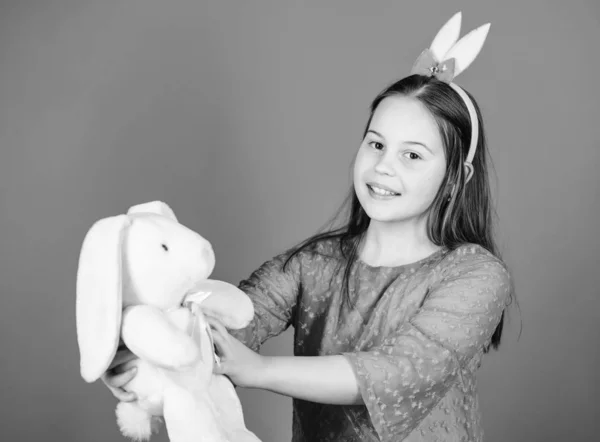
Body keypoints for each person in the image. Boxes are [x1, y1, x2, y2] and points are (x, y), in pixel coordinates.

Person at [102, 13, 513, 442]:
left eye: (412, 155)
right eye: (376, 144)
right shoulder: (313, 264)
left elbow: (400, 370)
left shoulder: (476, 276)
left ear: (456, 178)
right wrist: (148, 361)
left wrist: (260, 370)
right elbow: (230, 322)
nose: (383, 167)